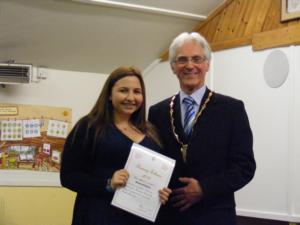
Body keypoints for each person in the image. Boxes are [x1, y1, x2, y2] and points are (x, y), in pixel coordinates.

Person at [148, 32, 256, 225]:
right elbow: (152, 163)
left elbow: (245, 167)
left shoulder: (231, 109)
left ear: (207, 64)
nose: (190, 66)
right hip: (169, 217)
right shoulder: (157, 112)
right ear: (173, 67)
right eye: (182, 60)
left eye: (197, 59)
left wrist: (205, 188)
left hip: (215, 216)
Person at [60, 66, 171, 225]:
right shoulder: (89, 127)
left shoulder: (151, 132)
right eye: (123, 90)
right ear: (109, 95)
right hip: (99, 215)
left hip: (140, 218)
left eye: (137, 92)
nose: (131, 97)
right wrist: (107, 184)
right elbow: (68, 177)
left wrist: (161, 192)